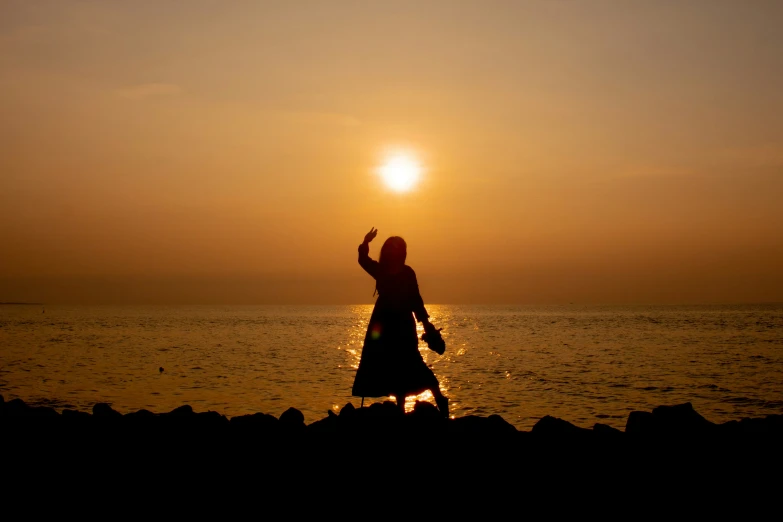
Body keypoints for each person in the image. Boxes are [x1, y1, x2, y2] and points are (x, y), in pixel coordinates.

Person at [351, 227, 449, 418]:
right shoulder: (383, 270)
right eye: (390, 249)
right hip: (386, 324)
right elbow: (363, 260)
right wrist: (365, 242)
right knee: (393, 365)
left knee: (411, 361)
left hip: (401, 324)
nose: (393, 252)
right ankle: (401, 408)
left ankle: (439, 398)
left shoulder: (406, 273)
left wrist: (427, 324)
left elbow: (416, 300)